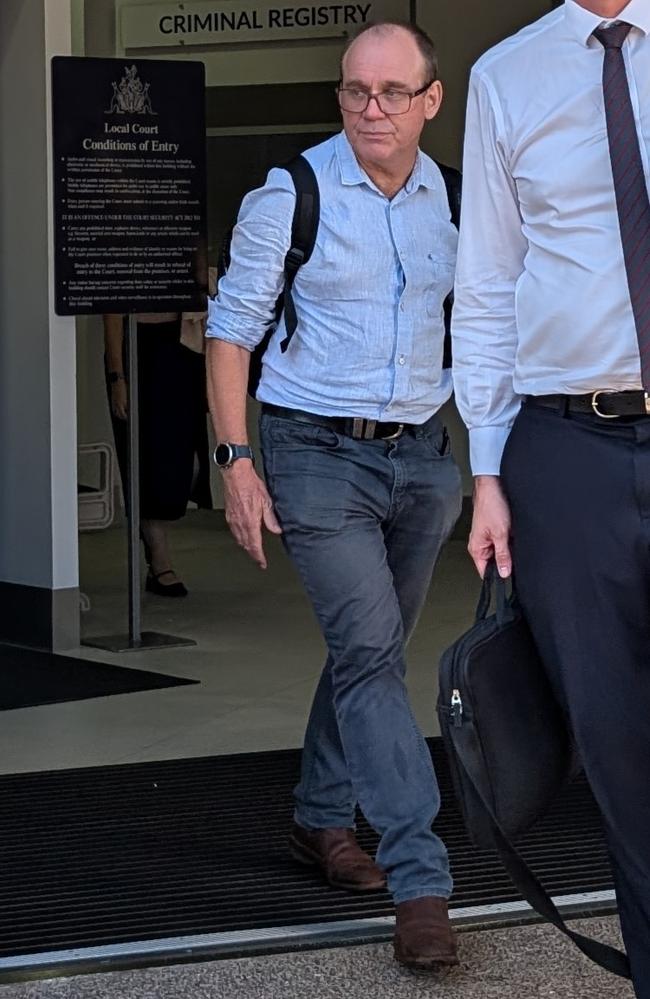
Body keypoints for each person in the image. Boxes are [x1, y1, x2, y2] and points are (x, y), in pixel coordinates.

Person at [206, 21, 462, 971]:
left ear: (431, 101)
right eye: (357, 90)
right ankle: (421, 876)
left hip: (424, 456)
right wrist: (236, 459)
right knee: (368, 649)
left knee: (374, 648)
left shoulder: (458, 200)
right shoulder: (292, 194)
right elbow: (231, 332)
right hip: (314, 451)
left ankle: (321, 816)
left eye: (394, 92)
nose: (372, 109)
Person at [451, 0, 650, 993]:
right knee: (620, 760)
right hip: (566, 449)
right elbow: (485, 284)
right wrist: (486, 468)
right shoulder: (505, 75)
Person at [103, 309, 212, 597]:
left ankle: (152, 536)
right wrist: (117, 376)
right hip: (138, 342)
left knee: (189, 460)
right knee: (145, 456)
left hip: (183, 341)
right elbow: (112, 313)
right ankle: (159, 554)